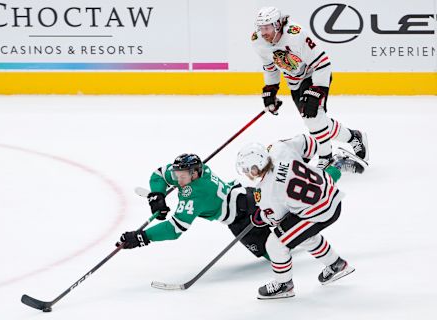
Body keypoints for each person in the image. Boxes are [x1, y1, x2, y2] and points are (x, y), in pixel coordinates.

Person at [117, 135, 364, 269]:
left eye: (182, 177)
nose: (178, 179)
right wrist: (156, 195)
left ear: (194, 174)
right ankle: (334, 169)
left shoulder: (194, 194)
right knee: (283, 227)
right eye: (178, 175)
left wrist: (142, 238)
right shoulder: (192, 171)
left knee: (277, 246)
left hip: (243, 214)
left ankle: (335, 172)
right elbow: (159, 174)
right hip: (245, 196)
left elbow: (174, 230)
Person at [235, 137, 365, 299]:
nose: (248, 174)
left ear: (256, 167)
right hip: (328, 191)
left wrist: (261, 216)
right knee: (300, 234)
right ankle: (336, 265)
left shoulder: (265, 192)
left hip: (321, 211)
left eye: (248, 170)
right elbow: (309, 143)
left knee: (276, 244)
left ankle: (284, 284)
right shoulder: (278, 149)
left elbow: (276, 220)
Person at [252, 7, 369, 168]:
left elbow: (322, 63)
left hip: (315, 75)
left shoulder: (296, 35)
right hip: (294, 81)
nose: (263, 32)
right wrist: (270, 89)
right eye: (260, 28)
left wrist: (317, 91)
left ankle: (326, 158)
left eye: (267, 27)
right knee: (315, 121)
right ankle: (353, 136)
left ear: (278, 24)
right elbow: (270, 66)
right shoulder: (258, 40)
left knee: (313, 117)